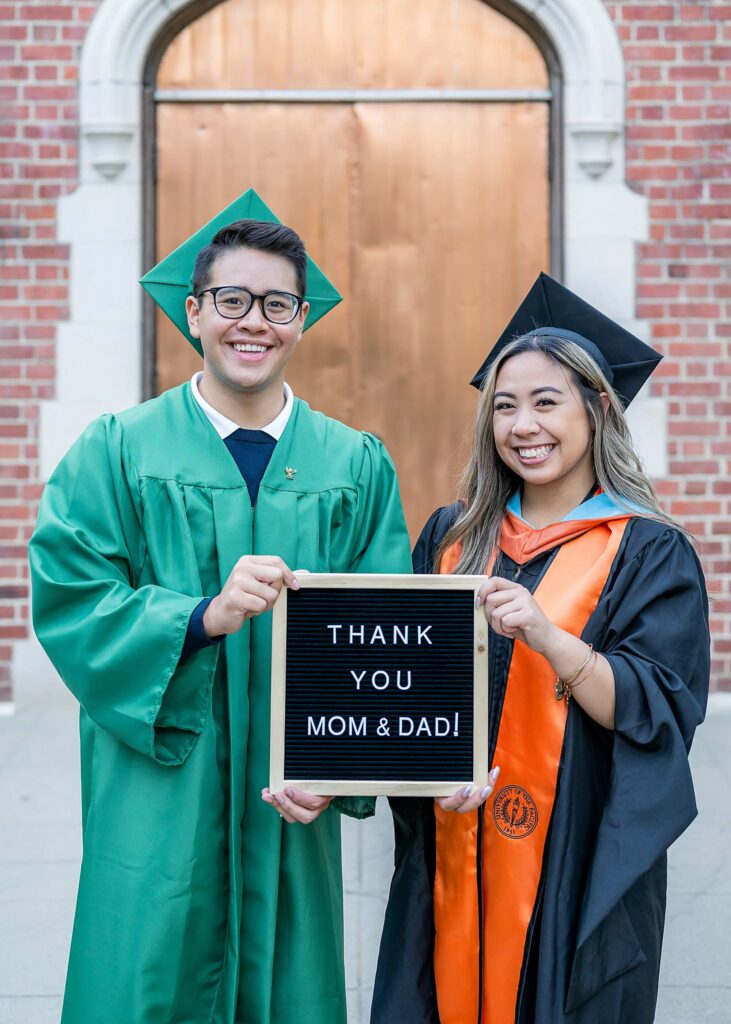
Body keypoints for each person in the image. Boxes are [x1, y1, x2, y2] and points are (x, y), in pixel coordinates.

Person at [29, 189, 412, 1024]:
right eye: (231, 301)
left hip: (289, 791)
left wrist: (337, 771)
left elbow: (382, 632)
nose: (253, 322)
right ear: (194, 312)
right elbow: (70, 596)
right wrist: (200, 616)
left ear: (301, 319)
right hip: (159, 784)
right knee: (147, 973)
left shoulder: (354, 463)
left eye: (277, 303)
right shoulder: (118, 449)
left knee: (289, 983)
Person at [371, 273, 710, 1024]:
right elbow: (405, 691)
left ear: (597, 409)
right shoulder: (454, 536)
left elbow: (655, 708)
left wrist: (546, 635)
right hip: (451, 838)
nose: (523, 424)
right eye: (504, 405)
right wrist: (404, 776)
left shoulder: (648, 550)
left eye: (546, 401)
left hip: (573, 848)